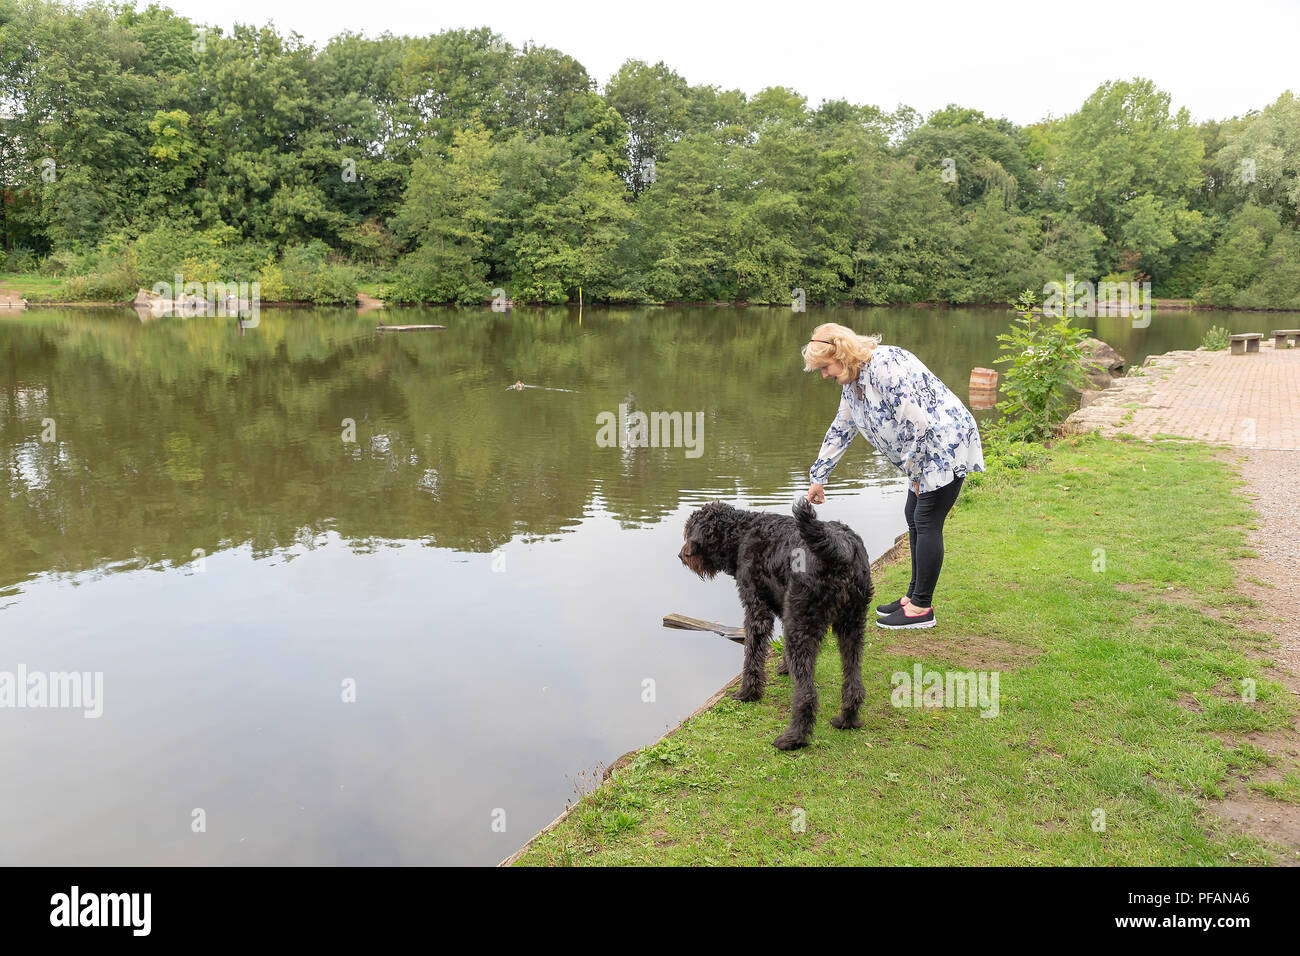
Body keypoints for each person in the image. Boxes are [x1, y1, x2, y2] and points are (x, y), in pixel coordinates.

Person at [802, 323, 984, 630]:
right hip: (925, 452)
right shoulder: (853, 384)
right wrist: (819, 475)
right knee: (913, 514)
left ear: (843, 354)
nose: (824, 375)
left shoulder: (886, 367)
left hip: (944, 445)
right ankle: (913, 597)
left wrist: (915, 470)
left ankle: (921, 609)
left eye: (825, 367)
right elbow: (842, 429)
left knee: (926, 519)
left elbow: (916, 424)